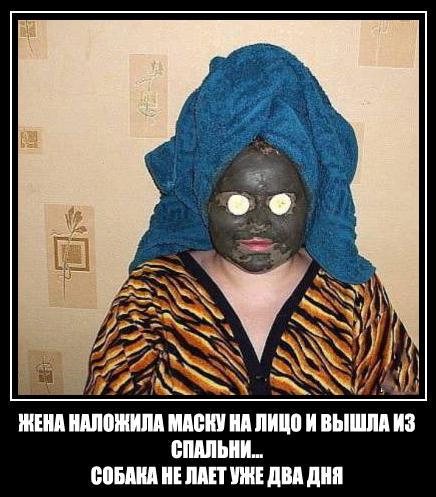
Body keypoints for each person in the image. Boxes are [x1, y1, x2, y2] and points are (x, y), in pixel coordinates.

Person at [84, 43, 419, 396]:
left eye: (281, 203)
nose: (259, 223)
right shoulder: (151, 296)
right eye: (237, 202)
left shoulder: (353, 296)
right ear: (205, 201)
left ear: (310, 205)